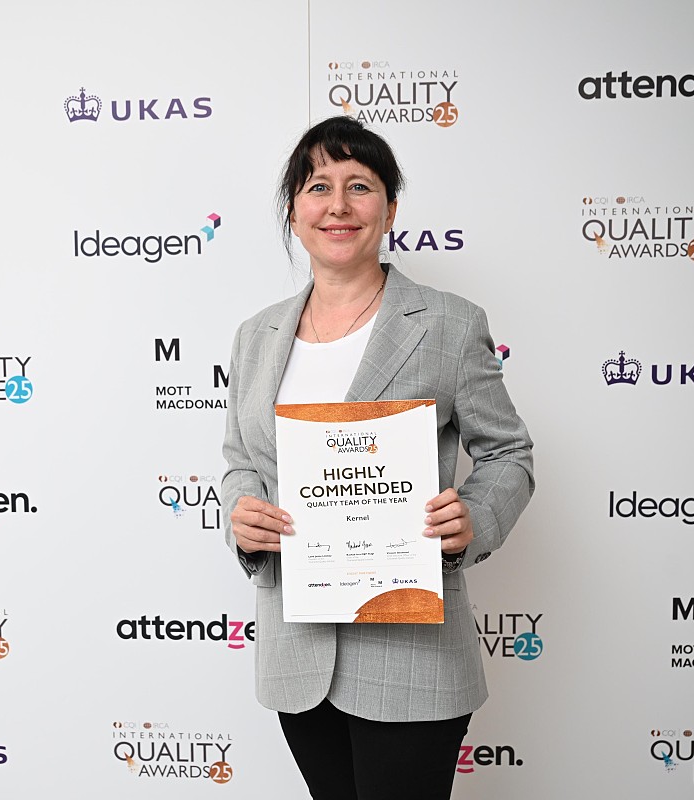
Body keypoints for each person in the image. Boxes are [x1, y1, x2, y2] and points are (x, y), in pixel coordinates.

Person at [220, 115, 535, 800]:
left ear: (390, 209)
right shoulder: (255, 335)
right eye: (317, 187)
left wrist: (474, 519)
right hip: (297, 650)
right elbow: (242, 460)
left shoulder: (450, 323)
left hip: (413, 654)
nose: (338, 205)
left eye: (359, 186)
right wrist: (241, 516)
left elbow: (509, 452)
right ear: (294, 212)